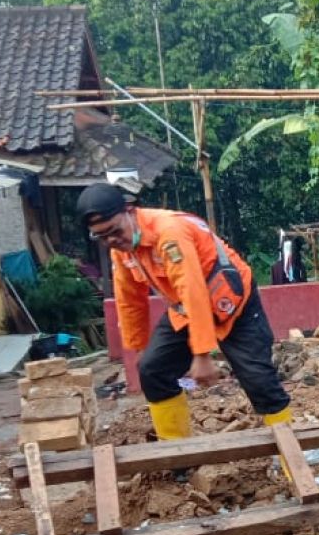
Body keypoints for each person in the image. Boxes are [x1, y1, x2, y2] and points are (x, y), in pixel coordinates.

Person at [75, 184, 294, 459]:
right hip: (186, 308)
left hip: (233, 301)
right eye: (102, 236)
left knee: (259, 380)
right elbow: (129, 301)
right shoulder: (122, 251)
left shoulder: (169, 233)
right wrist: (140, 349)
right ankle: (178, 454)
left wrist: (202, 355)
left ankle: (292, 455)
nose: (112, 240)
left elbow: (194, 288)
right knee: (153, 370)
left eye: (115, 230)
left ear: (130, 212)